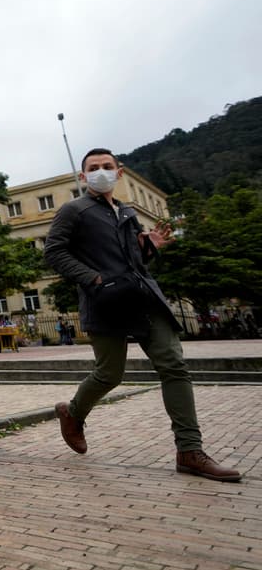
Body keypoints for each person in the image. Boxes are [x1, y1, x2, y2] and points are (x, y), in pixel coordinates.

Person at [44, 148, 240, 482]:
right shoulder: (73, 210)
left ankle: (189, 450)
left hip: (144, 297)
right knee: (110, 374)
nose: (101, 171)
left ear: (119, 173)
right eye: (94, 168)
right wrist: (94, 279)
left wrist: (150, 247)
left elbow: (135, 260)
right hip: (104, 300)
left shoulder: (127, 212)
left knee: (174, 366)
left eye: (107, 166)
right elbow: (54, 251)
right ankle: (73, 413)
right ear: (82, 176)